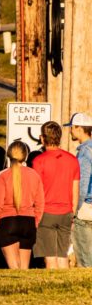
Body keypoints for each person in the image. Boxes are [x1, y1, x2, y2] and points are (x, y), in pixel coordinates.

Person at [31, 121, 80, 269]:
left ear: (42, 138)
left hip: (46, 212)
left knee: (50, 256)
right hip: (66, 212)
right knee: (62, 254)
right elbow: (75, 190)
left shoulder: (38, 161)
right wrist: (73, 214)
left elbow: (36, 191)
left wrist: (36, 215)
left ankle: (53, 287)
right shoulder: (72, 160)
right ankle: (65, 286)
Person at [0, 140, 45, 270]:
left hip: (7, 221)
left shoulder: (2, 175)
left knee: (14, 268)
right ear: (25, 156)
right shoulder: (34, 175)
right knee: (24, 269)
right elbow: (40, 203)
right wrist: (36, 221)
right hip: (28, 222)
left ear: (9, 155)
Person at [66, 112, 92, 267]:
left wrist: (75, 210)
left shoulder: (84, 152)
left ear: (80, 129)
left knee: (85, 257)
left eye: (72, 128)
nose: (70, 131)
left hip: (86, 207)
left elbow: (82, 184)